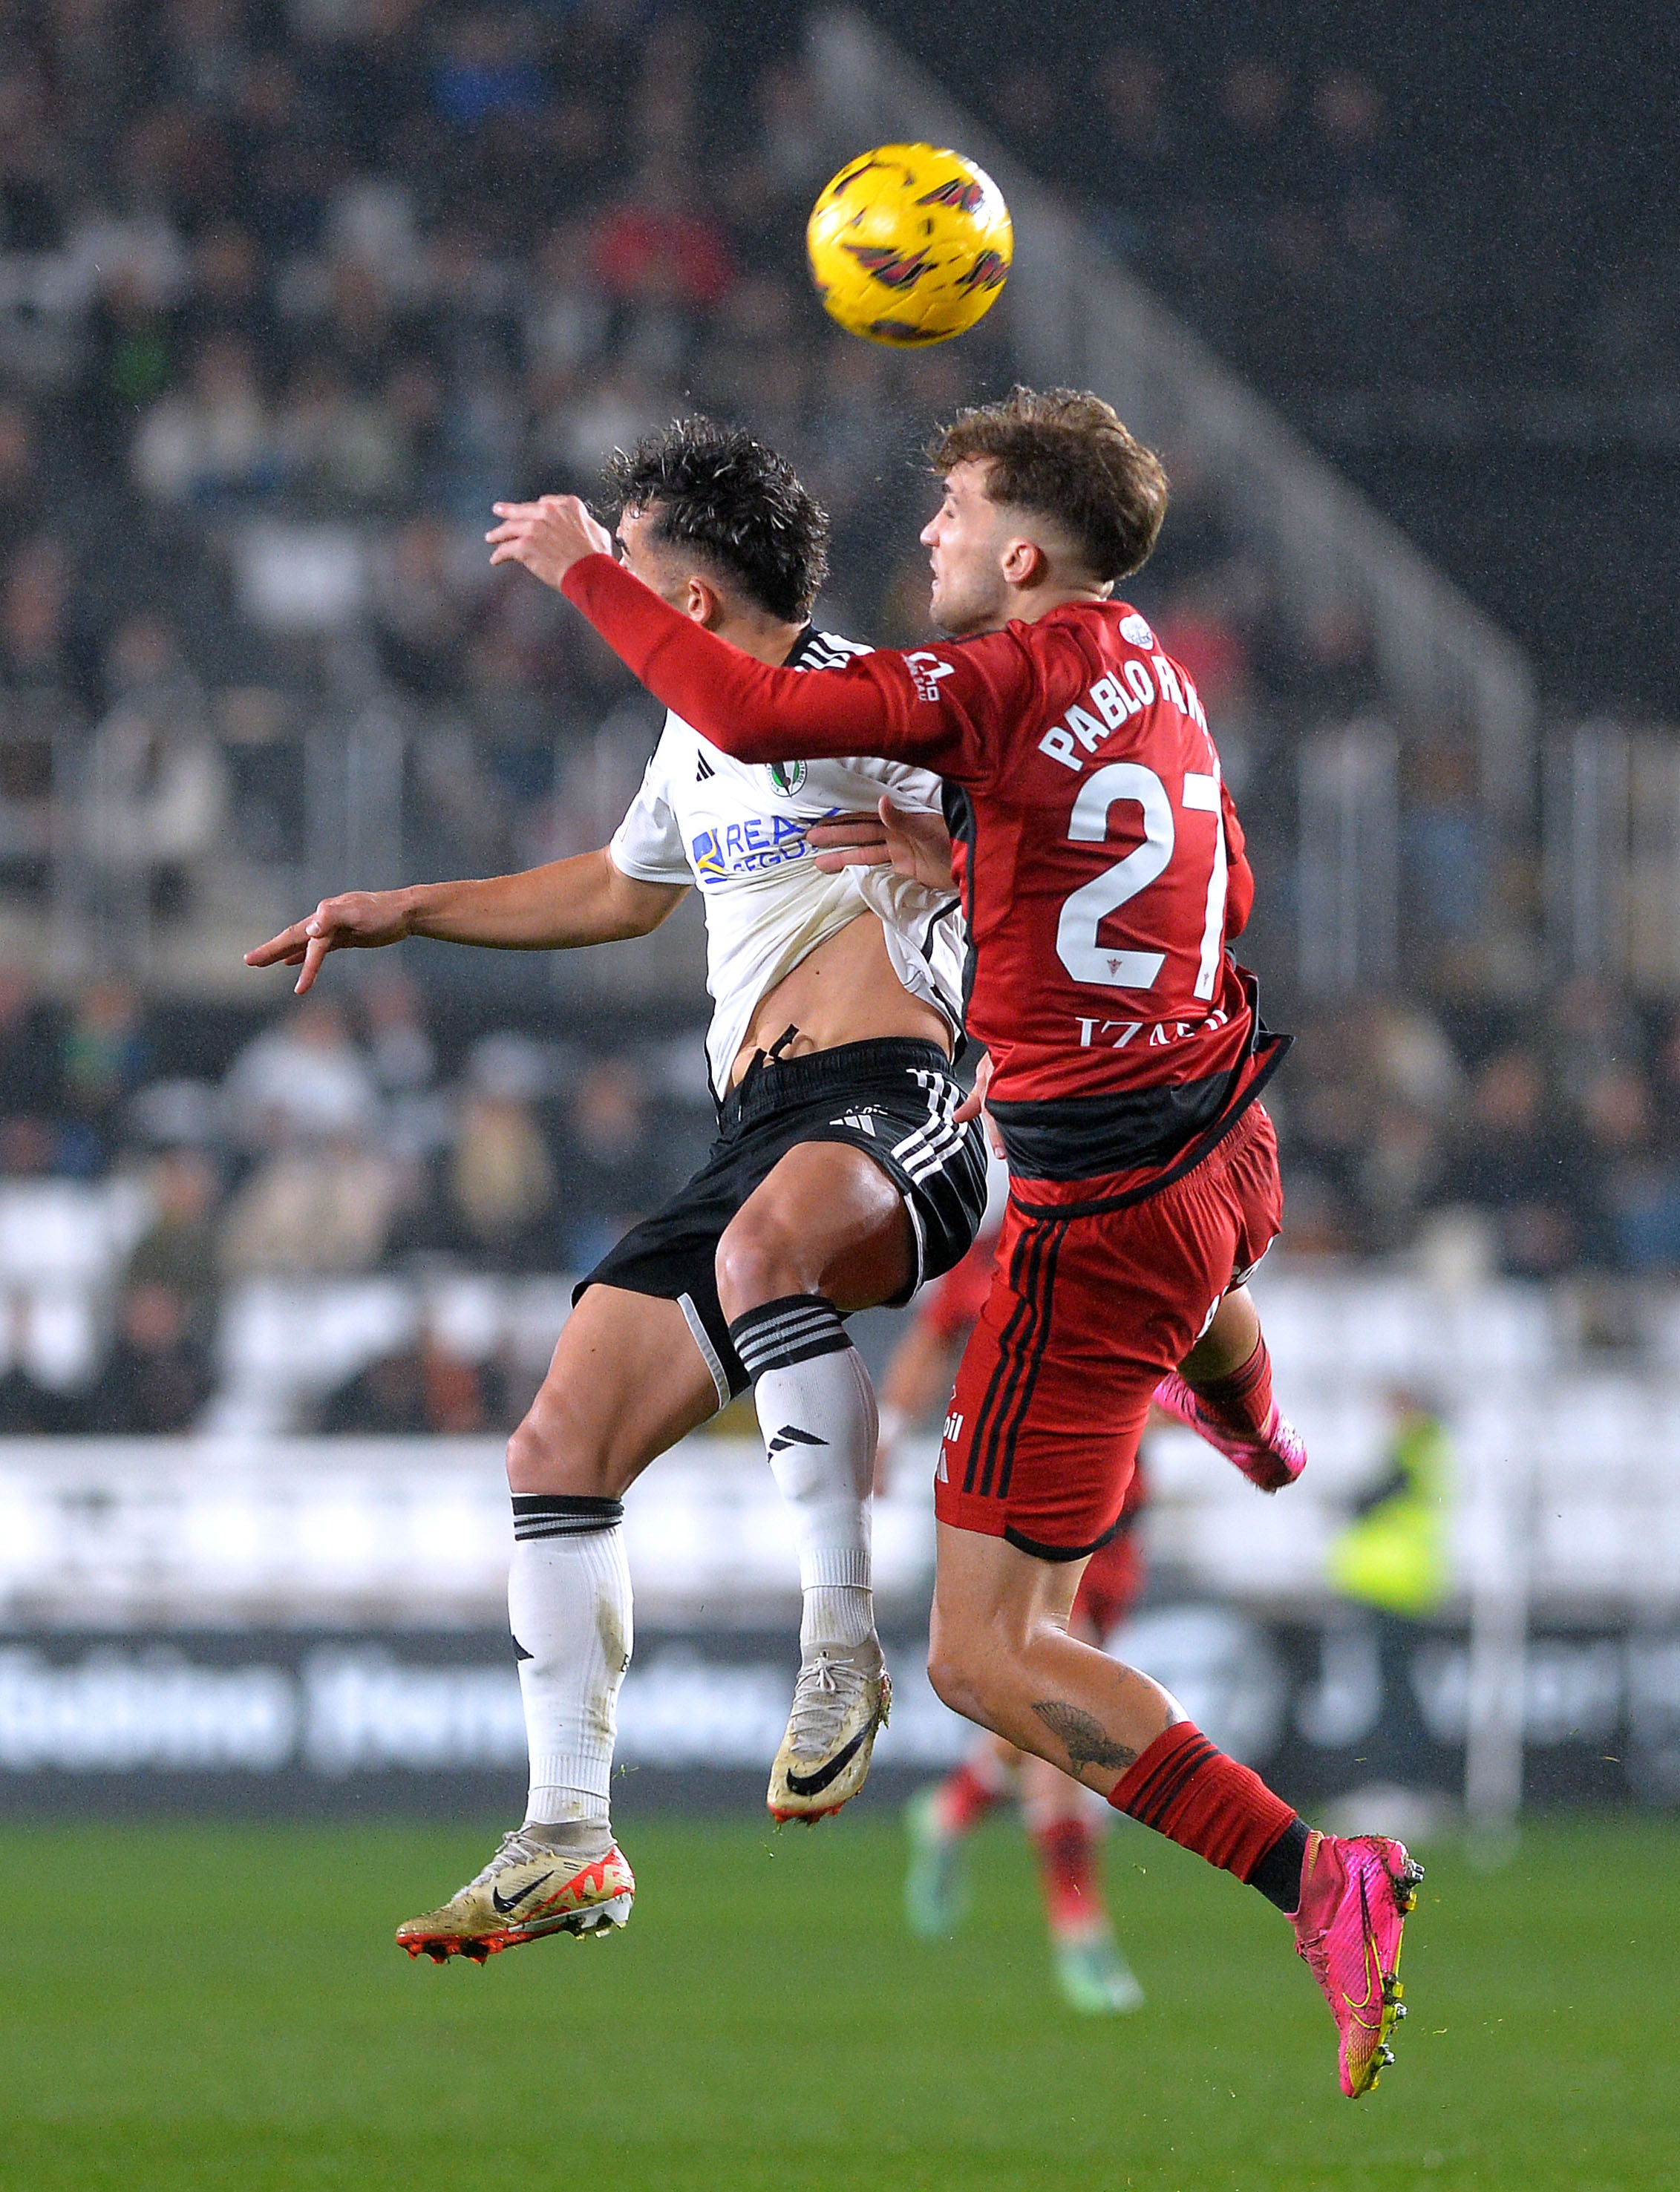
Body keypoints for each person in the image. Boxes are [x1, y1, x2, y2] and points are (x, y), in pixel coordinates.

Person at [488, 386, 1421, 2100]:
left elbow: (755, 708)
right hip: (1233, 1132)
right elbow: (1225, 893)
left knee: (985, 1653)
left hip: (1107, 1216)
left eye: (952, 507)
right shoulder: (1152, 665)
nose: (921, 532)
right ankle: (1250, 1406)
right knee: (1201, 1280)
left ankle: (1320, 1876)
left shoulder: (996, 674)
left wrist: (579, 570)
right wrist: (976, 852)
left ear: (1018, 549)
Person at [246, 419, 990, 1958]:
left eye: (640, 571)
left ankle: (841, 1644)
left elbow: (953, 806)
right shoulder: (695, 737)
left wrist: (590, 567)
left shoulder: (854, 702)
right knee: (557, 1434)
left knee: (776, 1247)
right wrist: (410, 911)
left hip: (901, 1106)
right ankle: (568, 1833)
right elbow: (615, 888)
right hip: (758, 1129)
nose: (621, 600)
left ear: (694, 603)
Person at [879, 1215, 1153, 2016]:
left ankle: (953, 1808)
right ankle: (1081, 1931)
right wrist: (892, 1433)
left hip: (1119, 1522)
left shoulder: (1134, 1237)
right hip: (1023, 1514)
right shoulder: (997, 1256)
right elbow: (932, 1337)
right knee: (1064, 1712)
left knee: (1026, 1716)